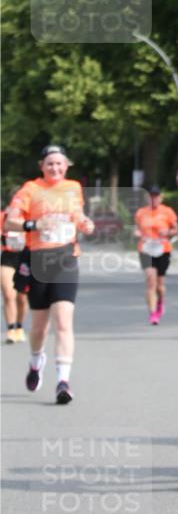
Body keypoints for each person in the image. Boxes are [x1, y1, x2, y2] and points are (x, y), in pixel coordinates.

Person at [5, 144, 95, 403]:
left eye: (59, 163)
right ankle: (36, 361)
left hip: (66, 259)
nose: (55, 168)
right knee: (39, 327)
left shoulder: (73, 188)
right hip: (38, 261)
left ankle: (62, 381)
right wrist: (33, 224)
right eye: (50, 164)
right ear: (41, 167)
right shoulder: (30, 190)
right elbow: (10, 221)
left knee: (64, 321)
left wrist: (85, 223)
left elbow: (77, 216)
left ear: (67, 165)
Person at [134, 186, 178, 325]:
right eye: (151, 196)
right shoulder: (141, 212)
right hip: (146, 249)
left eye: (156, 196)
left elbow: (176, 229)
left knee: (160, 285)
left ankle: (160, 302)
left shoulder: (167, 212)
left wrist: (167, 232)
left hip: (162, 249)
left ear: (161, 197)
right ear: (148, 198)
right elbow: (136, 228)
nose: (154, 199)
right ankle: (153, 313)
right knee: (150, 281)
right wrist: (137, 233)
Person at [1, 204, 28, 343]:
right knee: (8, 294)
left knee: (22, 298)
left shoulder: (28, 218)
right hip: (8, 258)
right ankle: (10, 330)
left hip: (25, 258)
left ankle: (19, 327)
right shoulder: (3, 218)